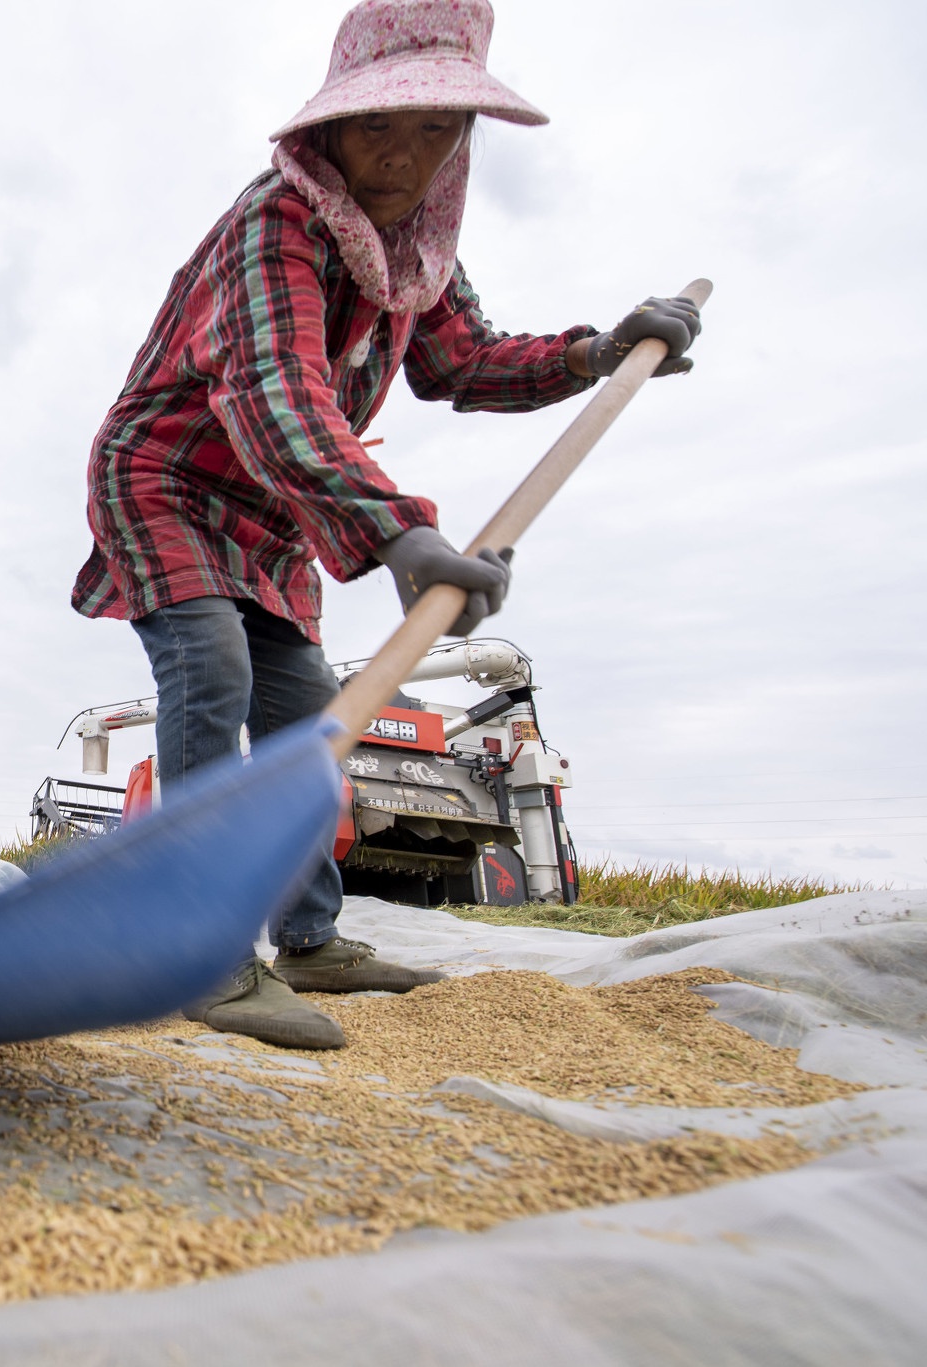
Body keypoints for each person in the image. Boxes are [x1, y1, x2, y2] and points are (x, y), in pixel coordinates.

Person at [72, 0, 699, 1048]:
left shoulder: (417, 255)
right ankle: (194, 944)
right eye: (377, 127)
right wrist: (399, 532)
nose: (401, 158)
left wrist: (595, 351)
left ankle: (309, 939)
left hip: (273, 512)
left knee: (307, 714)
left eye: (433, 130)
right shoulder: (272, 222)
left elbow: (462, 363)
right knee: (211, 668)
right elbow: (275, 393)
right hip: (167, 479)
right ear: (327, 127)